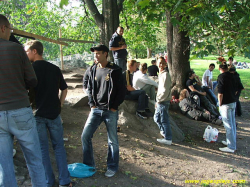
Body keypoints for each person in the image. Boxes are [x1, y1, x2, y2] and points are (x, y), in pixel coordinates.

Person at [0, 14, 46, 187]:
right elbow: (32, 80)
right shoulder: (16, 48)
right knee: (34, 161)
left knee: (4, 166)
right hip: (20, 109)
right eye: (9, 29)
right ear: (3, 28)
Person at [24, 40, 73, 187]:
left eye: (26, 51)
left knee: (43, 150)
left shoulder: (29, 70)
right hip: (54, 114)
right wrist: (60, 104)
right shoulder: (54, 68)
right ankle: (65, 181)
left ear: (34, 51)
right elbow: (64, 89)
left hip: (37, 115)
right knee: (59, 148)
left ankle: (48, 181)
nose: (25, 54)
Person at [81, 44, 125, 178]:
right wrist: (91, 103)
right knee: (85, 136)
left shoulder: (116, 70)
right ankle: (89, 165)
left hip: (110, 111)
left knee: (113, 141)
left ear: (106, 54)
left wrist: (114, 106)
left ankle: (112, 167)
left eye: (99, 53)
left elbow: (122, 91)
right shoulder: (92, 69)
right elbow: (86, 85)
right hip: (95, 110)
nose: (96, 55)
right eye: (95, 53)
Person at [217, 64, 237, 153]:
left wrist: (220, 103)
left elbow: (220, 93)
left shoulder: (221, 77)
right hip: (233, 102)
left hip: (226, 104)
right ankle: (231, 142)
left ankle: (231, 146)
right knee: (232, 124)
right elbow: (237, 89)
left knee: (228, 125)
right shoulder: (232, 76)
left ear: (220, 69)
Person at [154, 57, 172, 145]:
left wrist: (158, 100)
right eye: (159, 63)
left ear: (165, 64)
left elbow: (165, 90)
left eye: (162, 63)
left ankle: (168, 138)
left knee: (164, 120)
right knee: (156, 118)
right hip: (160, 100)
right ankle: (164, 132)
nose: (160, 65)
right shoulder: (160, 74)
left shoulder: (165, 75)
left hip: (163, 101)